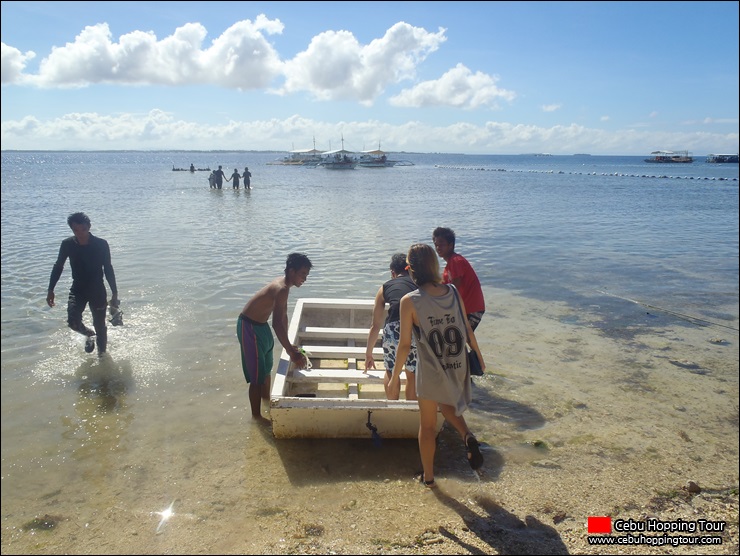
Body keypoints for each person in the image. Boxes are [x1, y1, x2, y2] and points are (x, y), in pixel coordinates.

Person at [388, 243, 485, 488]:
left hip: (431, 368)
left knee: (428, 425)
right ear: (434, 265)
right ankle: (467, 435)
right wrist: (479, 357)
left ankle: (428, 478)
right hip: (457, 362)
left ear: (411, 269)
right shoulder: (452, 290)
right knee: (448, 404)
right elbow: (466, 327)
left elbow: (404, 345)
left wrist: (394, 376)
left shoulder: (409, 301)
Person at [237, 253, 313, 422]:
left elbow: (283, 317)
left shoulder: (285, 287)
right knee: (256, 377)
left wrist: (290, 344)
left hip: (261, 327)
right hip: (249, 327)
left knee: (266, 371)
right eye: (302, 274)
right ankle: (256, 417)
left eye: (306, 275)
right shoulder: (281, 288)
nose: (304, 279)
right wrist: (290, 352)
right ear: (292, 271)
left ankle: (267, 404)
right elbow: (277, 324)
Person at [46, 212, 119, 356]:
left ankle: (102, 357)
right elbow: (58, 266)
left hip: (97, 289)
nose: (80, 233)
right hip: (78, 289)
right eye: (76, 230)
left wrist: (114, 292)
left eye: (83, 229)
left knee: (100, 326)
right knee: (73, 322)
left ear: (89, 227)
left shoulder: (101, 244)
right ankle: (89, 335)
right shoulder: (67, 244)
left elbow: (108, 268)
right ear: (72, 229)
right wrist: (50, 289)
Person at [365, 253, 419, 400]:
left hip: (393, 330)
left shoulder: (385, 287)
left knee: (390, 370)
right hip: (414, 329)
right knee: (412, 374)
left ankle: (392, 407)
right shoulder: (418, 284)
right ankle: (410, 413)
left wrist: (369, 354)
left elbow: (375, 325)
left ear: (392, 272)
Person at [432, 227, 485, 331]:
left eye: (441, 244)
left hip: (472, 309)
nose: (438, 248)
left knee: (461, 338)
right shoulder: (449, 266)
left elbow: (454, 289)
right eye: (436, 245)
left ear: (450, 245)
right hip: (464, 309)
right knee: (458, 339)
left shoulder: (456, 261)